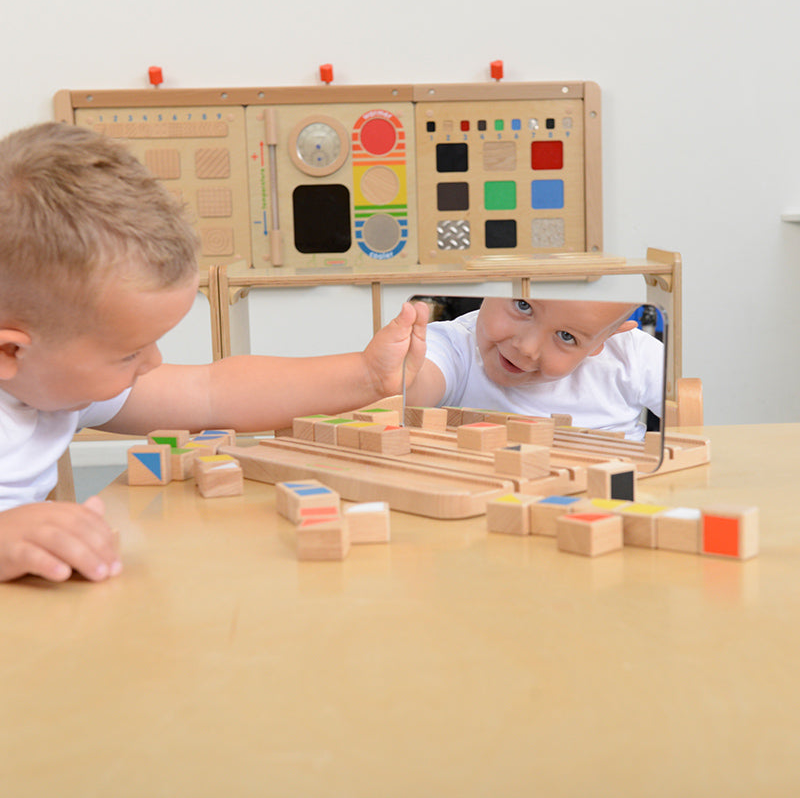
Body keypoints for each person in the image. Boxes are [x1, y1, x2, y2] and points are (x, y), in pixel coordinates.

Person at [0, 122, 428, 584]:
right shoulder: (47, 378)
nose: (154, 363)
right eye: (129, 354)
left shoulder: (49, 379)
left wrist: (365, 376)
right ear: (9, 350)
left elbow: (211, 392)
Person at [405, 296, 663, 440]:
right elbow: (413, 386)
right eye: (523, 305)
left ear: (605, 338)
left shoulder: (634, 355)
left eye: (565, 336)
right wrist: (388, 379)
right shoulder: (455, 346)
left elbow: (694, 425)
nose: (527, 348)